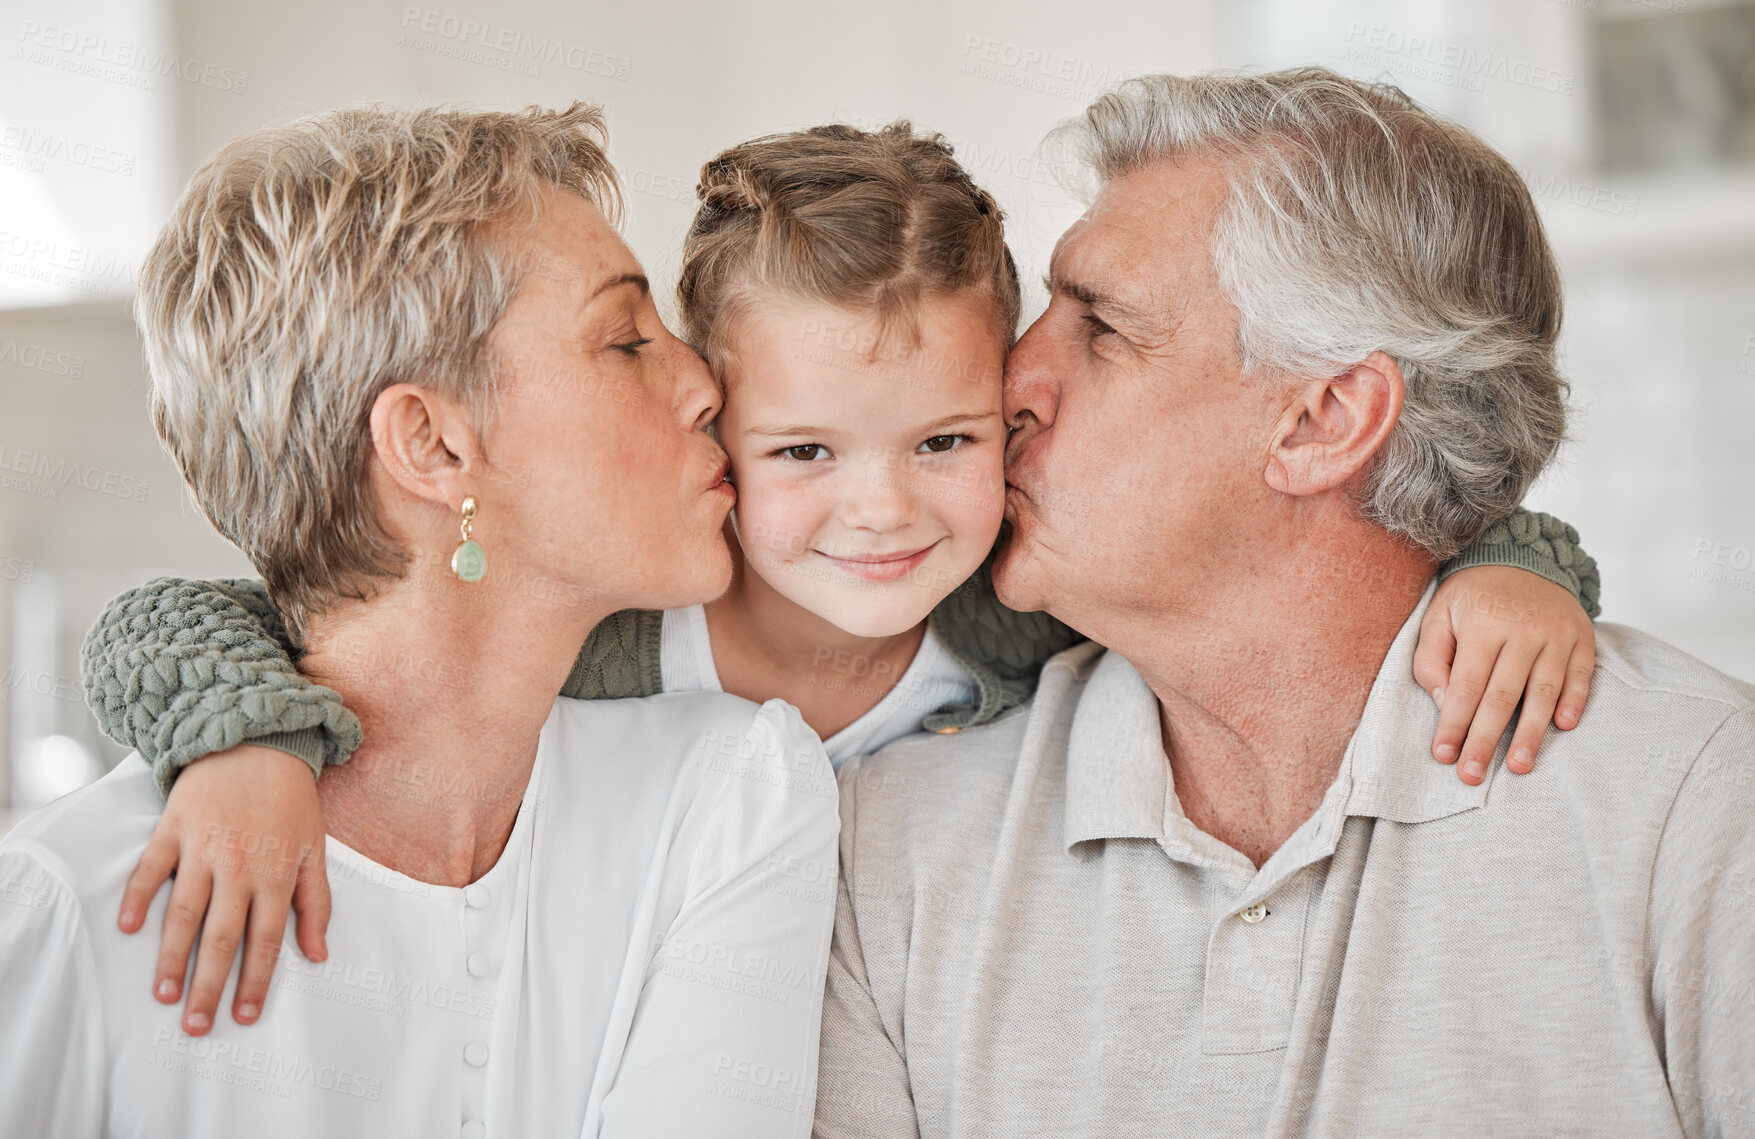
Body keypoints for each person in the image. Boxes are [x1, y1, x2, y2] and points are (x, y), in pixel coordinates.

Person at [81, 120, 1602, 1050]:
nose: (879, 510)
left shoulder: (1021, 609)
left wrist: (1512, 565)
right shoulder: (603, 637)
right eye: (800, 446)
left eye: (943, 437)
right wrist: (246, 745)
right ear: (709, 418)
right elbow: (216, 607)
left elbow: (1311, 567)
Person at [812, 70, 1755, 1138]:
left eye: (1102, 328)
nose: (1005, 381)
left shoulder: (1705, 807)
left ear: (1323, 419)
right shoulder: (889, 842)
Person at [0, 102, 838, 1138]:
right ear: (434, 446)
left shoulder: (730, 797)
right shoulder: (74, 907)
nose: (705, 385)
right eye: (625, 339)